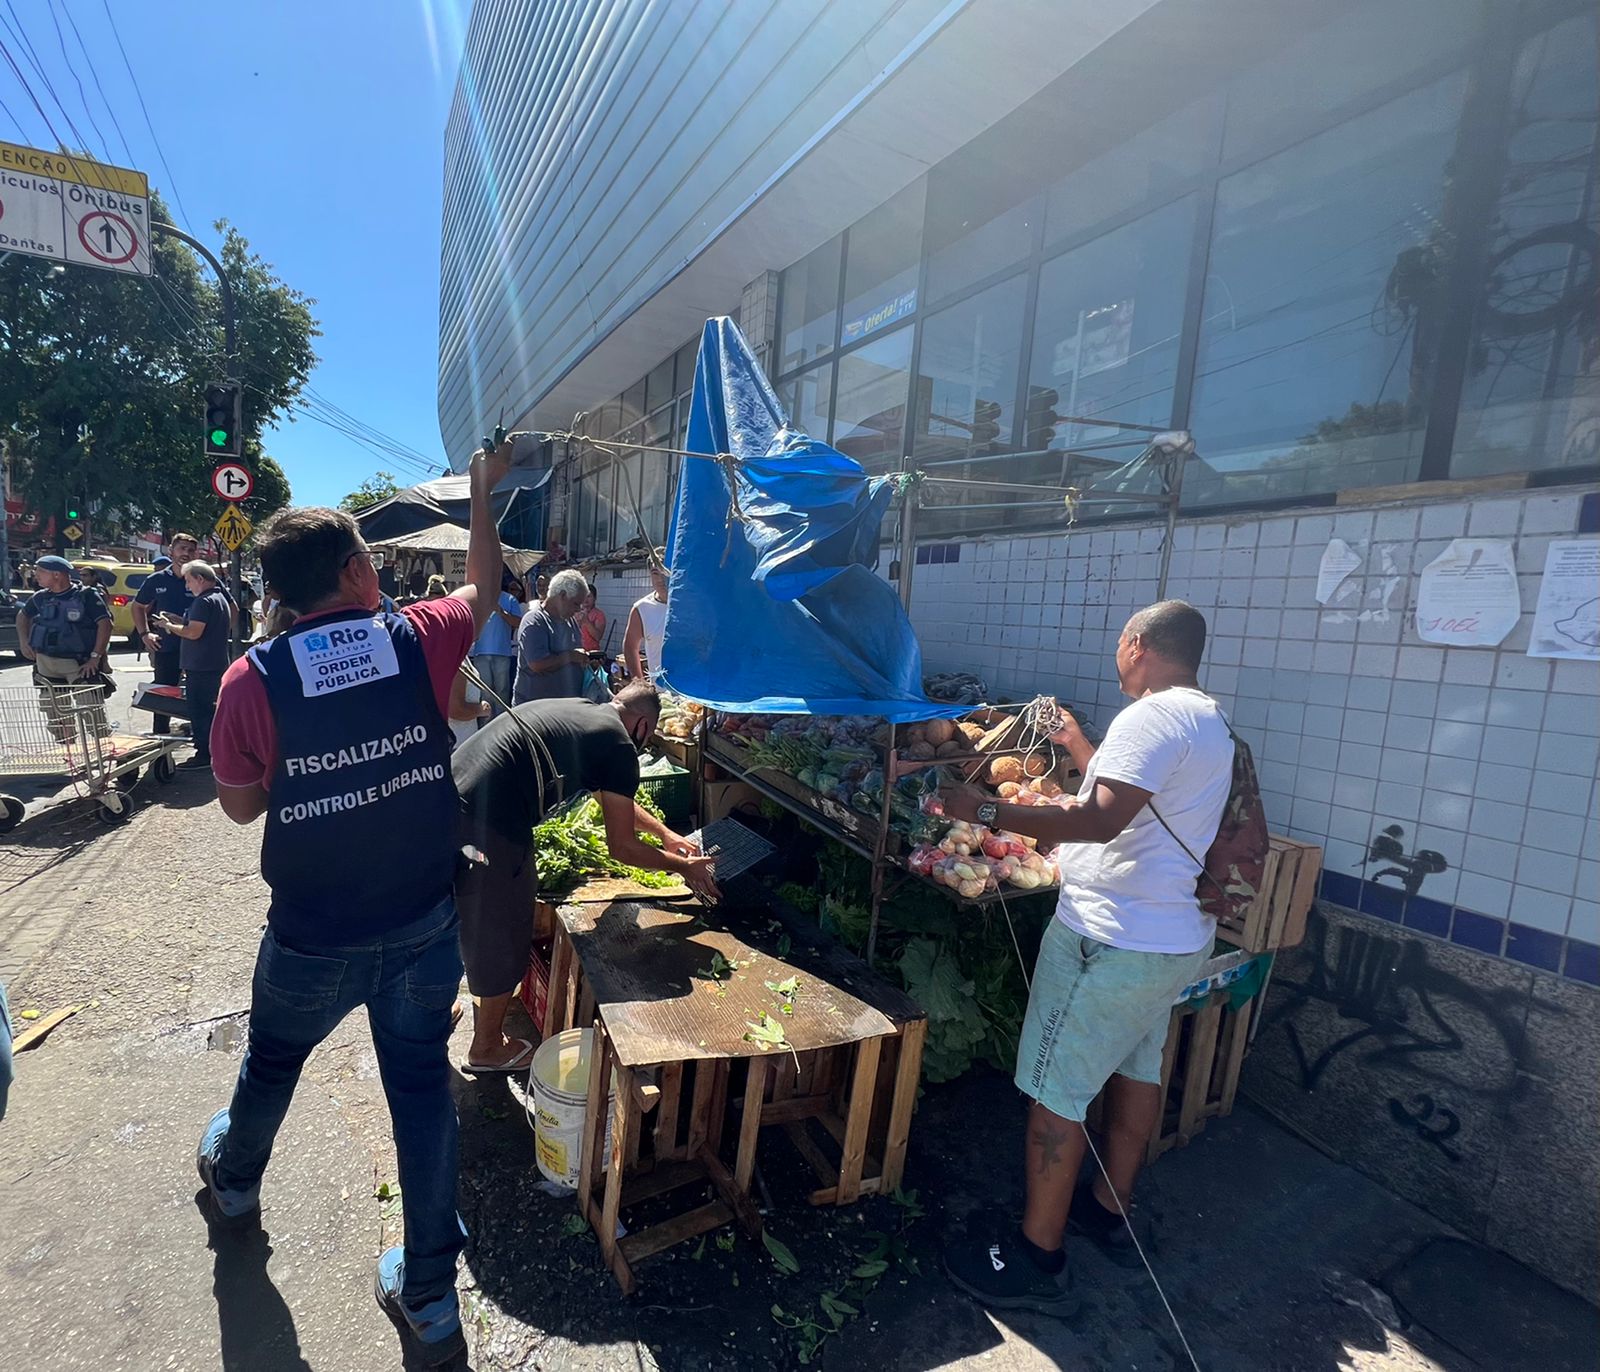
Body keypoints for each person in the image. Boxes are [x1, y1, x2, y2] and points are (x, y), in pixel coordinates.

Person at [195, 440, 511, 1365]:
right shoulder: (413, 635)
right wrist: (485, 492)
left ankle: (238, 1183)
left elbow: (241, 804)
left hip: (311, 934)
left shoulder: (251, 680)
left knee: (270, 1066)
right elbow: (486, 587)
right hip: (422, 925)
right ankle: (429, 1298)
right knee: (420, 1095)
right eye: (370, 560)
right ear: (354, 569)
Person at [939, 601, 1234, 1318]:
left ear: (1136, 645)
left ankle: (1039, 1254)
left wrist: (980, 810)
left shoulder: (1151, 717)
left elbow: (1098, 817)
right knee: (1138, 1069)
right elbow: (1125, 795)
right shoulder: (1210, 719)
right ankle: (1108, 1209)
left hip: (1109, 938)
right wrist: (1074, 742)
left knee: (1055, 1091)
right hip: (1167, 940)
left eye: (1118, 646)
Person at [452, 682, 720, 1070]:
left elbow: (604, 796)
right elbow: (622, 848)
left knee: (443, 912)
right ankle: (487, 1048)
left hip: (447, 797)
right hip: (487, 826)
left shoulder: (583, 711)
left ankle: (434, 1012)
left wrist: (664, 834)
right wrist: (683, 867)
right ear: (643, 725)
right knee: (503, 925)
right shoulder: (619, 746)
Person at [16, 555, 112, 740]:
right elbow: (22, 616)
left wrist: (95, 657)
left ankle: (106, 750)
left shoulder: (87, 595)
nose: (36, 575)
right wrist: (24, 641)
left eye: (41, 571)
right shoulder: (40, 597)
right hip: (46, 663)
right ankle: (68, 751)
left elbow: (105, 625)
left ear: (57, 574)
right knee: (55, 712)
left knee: (91, 710)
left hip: (79, 664)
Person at [152, 561, 233, 772]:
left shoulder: (204, 601)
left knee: (200, 711)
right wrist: (178, 620)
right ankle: (211, 752)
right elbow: (195, 625)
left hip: (202, 666)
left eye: (189, 581)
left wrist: (169, 626)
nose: (187, 586)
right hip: (211, 663)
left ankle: (204, 754)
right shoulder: (218, 598)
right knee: (209, 710)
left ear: (200, 579)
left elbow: (193, 633)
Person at [133, 535, 201, 736]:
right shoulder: (157, 579)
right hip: (167, 647)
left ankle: (202, 745)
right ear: (171, 551)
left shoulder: (203, 578)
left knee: (200, 696)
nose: (186, 554)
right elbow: (137, 607)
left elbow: (229, 609)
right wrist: (145, 634)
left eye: (190, 550)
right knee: (163, 695)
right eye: (182, 548)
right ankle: (161, 748)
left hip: (197, 648)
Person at [511, 567, 589, 705]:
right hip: (534, 710)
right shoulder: (535, 620)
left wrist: (586, 659)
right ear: (562, 596)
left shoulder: (570, 621)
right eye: (576, 603)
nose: (578, 609)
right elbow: (537, 664)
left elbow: (576, 653)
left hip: (563, 709)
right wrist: (570, 656)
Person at [468, 570, 523, 721]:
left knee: (502, 692)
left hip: (502, 653)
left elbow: (518, 623)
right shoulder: (477, 599)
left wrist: (501, 612)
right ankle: (486, 727)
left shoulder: (510, 599)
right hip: (481, 653)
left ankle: (502, 725)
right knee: (484, 692)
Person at [624, 553, 669, 682]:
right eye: (656, 573)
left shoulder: (689, 605)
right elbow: (630, 646)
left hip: (690, 693)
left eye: (665, 573)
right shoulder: (642, 608)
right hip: (661, 692)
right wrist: (639, 682)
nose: (661, 579)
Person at [577, 581, 607, 654]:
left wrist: (586, 621)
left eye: (589, 596)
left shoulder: (599, 614)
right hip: (576, 652)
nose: (586, 600)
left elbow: (598, 637)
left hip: (592, 653)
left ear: (595, 598)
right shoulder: (575, 612)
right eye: (584, 596)